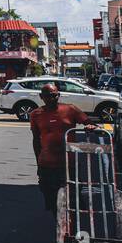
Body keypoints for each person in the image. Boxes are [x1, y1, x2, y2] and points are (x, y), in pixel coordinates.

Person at [29, 82, 89, 218]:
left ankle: (72, 225)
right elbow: (36, 140)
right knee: (50, 197)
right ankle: (60, 224)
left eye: (54, 96)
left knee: (73, 197)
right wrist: (38, 162)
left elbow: (89, 122)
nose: (52, 99)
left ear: (58, 95)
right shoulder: (35, 114)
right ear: (41, 97)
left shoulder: (70, 109)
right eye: (48, 96)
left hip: (69, 163)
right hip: (47, 164)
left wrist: (91, 127)